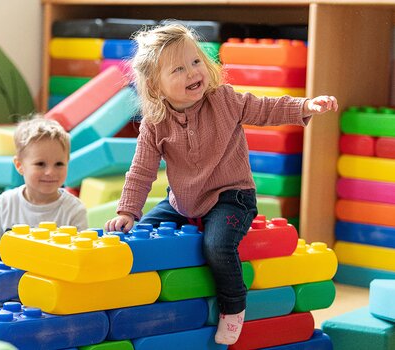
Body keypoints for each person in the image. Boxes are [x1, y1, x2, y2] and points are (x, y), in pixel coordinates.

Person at [104, 23, 338, 345]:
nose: (192, 73)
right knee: (142, 234)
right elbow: (141, 170)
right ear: (156, 87)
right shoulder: (155, 124)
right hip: (183, 201)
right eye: (179, 69)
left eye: (196, 62)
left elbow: (265, 108)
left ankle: (234, 305)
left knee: (216, 245)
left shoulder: (223, 101)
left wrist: (304, 107)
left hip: (232, 197)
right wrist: (128, 211)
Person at [0, 117, 88, 262]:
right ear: (20, 165)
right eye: (40, 164)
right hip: (9, 280)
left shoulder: (74, 209)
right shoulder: (7, 202)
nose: (50, 172)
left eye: (59, 164)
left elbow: (82, 254)